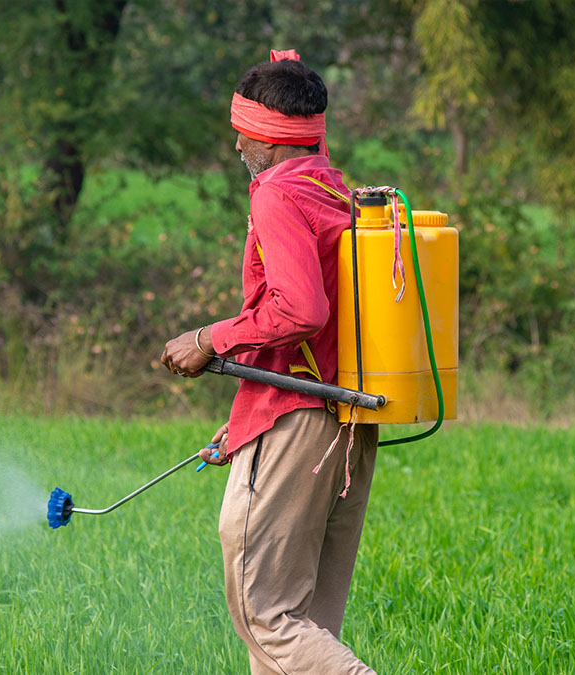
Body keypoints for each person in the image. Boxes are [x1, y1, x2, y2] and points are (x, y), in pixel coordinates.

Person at [160, 49, 378, 674]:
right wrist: (247, 419)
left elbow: (302, 311)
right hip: (344, 420)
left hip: (299, 419)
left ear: (272, 135)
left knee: (269, 620)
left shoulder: (278, 194)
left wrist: (209, 338)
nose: (237, 145)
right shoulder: (333, 188)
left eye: (243, 131)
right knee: (302, 629)